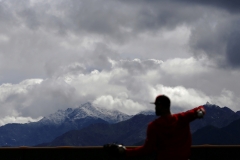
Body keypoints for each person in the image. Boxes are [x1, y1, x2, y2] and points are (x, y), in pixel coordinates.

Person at [104, 94, 206, 160]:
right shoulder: (183, 118)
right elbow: (200, 108)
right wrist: (200, 112)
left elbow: (146, 150)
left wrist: (124, 152)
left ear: (161, 106)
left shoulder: (154, 126)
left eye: (156, 105)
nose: (155, 108)